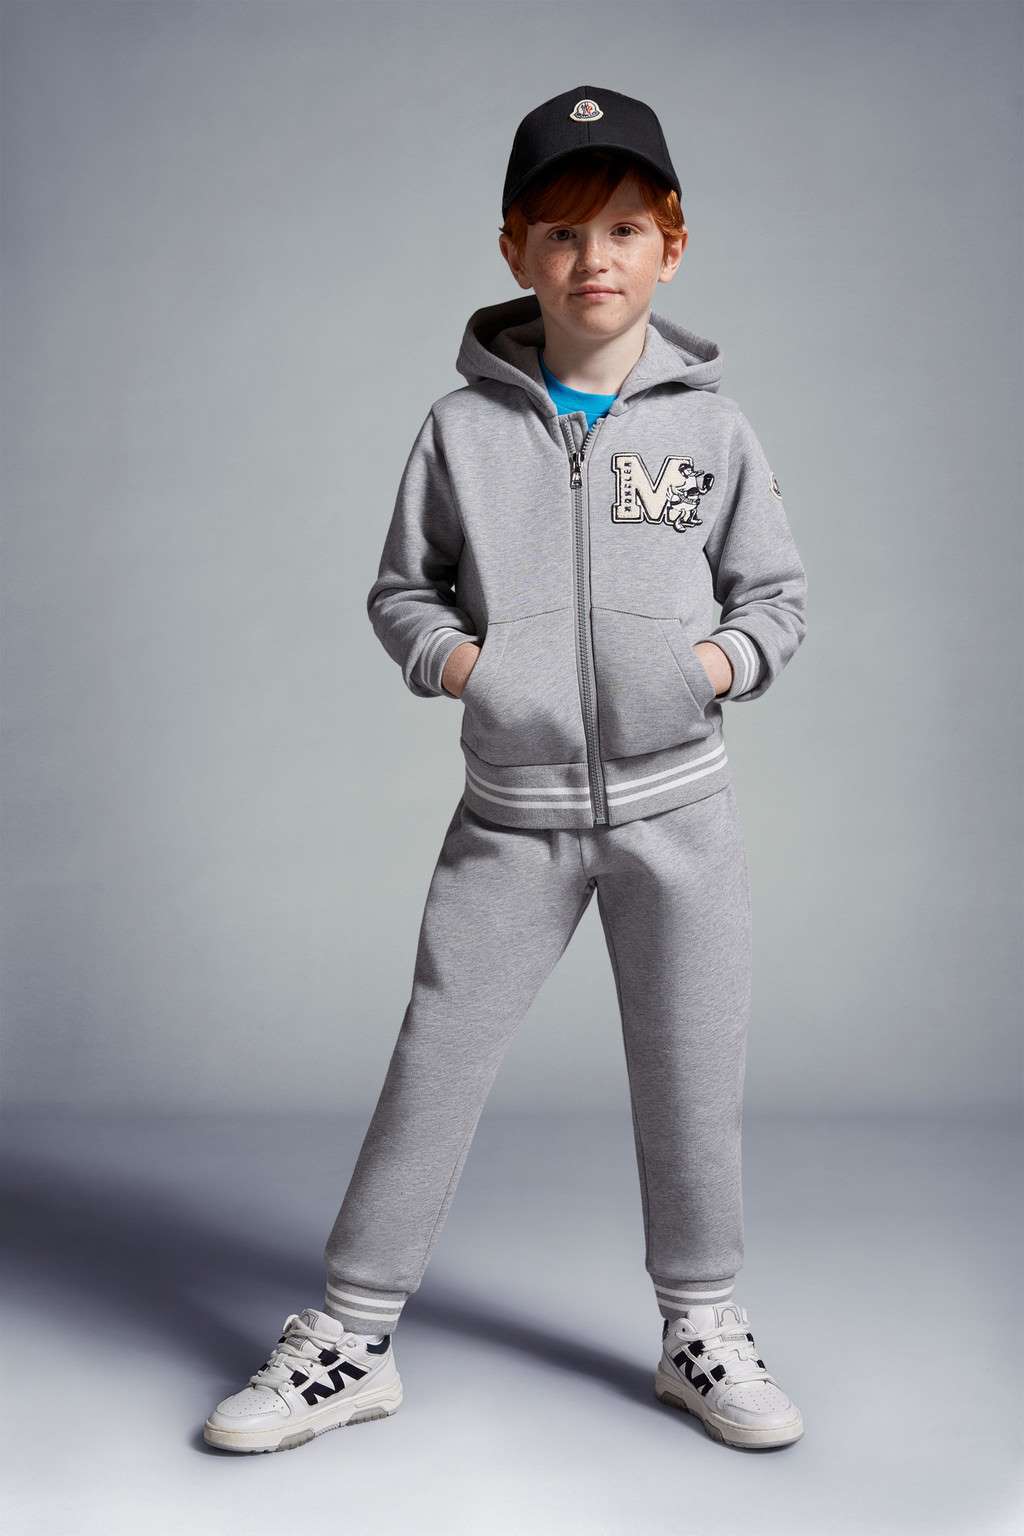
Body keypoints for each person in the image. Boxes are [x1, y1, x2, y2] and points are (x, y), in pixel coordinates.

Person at [204, 84, 808, 1455]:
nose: (593, 258)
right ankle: (350, 1337)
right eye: (560, 233)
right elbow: (401, 592)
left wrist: (707, 671)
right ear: (514, 252)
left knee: (691, 1077)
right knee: (435, 1063)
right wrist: (468, 667)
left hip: (680, 814)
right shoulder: (460, 430)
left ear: (672, 246)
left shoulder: (714, 431)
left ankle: (701, 1328)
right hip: (511, 817)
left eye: (623, 230)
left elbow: (775, 600)